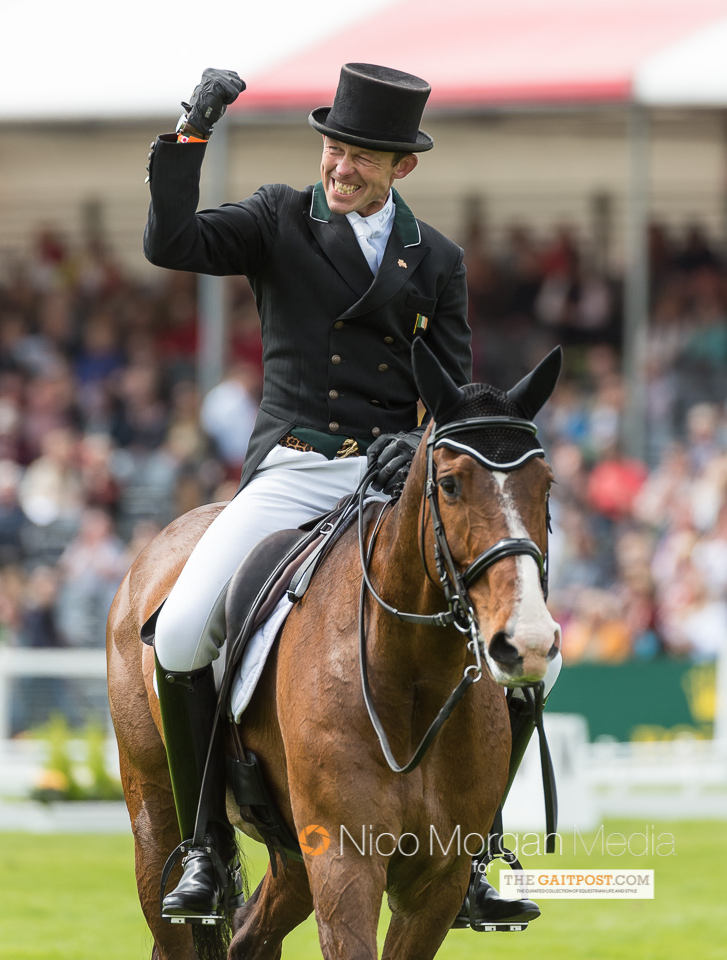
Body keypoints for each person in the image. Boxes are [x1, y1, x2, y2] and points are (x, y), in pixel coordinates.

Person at [144, 62, 549, 927]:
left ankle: (476, 850)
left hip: (395, 483)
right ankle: (205, 849)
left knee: (517, 647)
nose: (340, 165)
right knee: (180, 629)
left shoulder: (435, 258)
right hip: (293, 468)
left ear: (401, 166)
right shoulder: (275, 220)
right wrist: (192, 132)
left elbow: (455, 389)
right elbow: (171, 243)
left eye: (361, 154)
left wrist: (421, 448)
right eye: (333, 146)